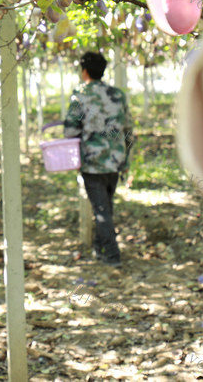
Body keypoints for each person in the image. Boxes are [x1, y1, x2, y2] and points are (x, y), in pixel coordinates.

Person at [63, 51, 132, 269]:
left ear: (84, 71)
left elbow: (70, 130)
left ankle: (112, 255)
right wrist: (126, 158)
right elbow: (128, 128)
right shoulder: (117, 95)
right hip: (116, 159)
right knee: (105, 207)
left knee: (102, 210)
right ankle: (100, 249)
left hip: (93, 162)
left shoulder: (80, 96)